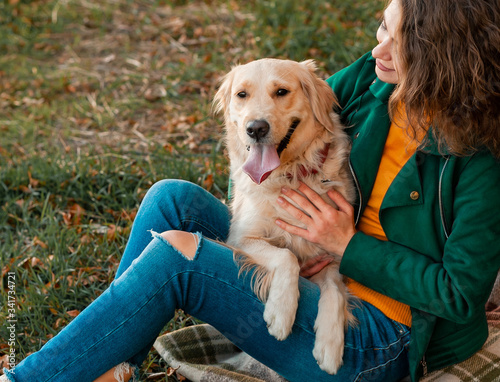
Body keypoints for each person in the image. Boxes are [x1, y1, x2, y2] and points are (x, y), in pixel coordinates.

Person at [3, 0, 500, 381]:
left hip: (381, 335)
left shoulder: (479, 161)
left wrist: (347, 248)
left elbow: (459, 296)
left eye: (397, 43)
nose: (377, 50)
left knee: (179, 258)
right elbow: (283, 106)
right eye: (381, 28)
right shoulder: (377, 85)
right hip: (309, 257)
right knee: (170, 198)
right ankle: (115, 367)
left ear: (442, 57)